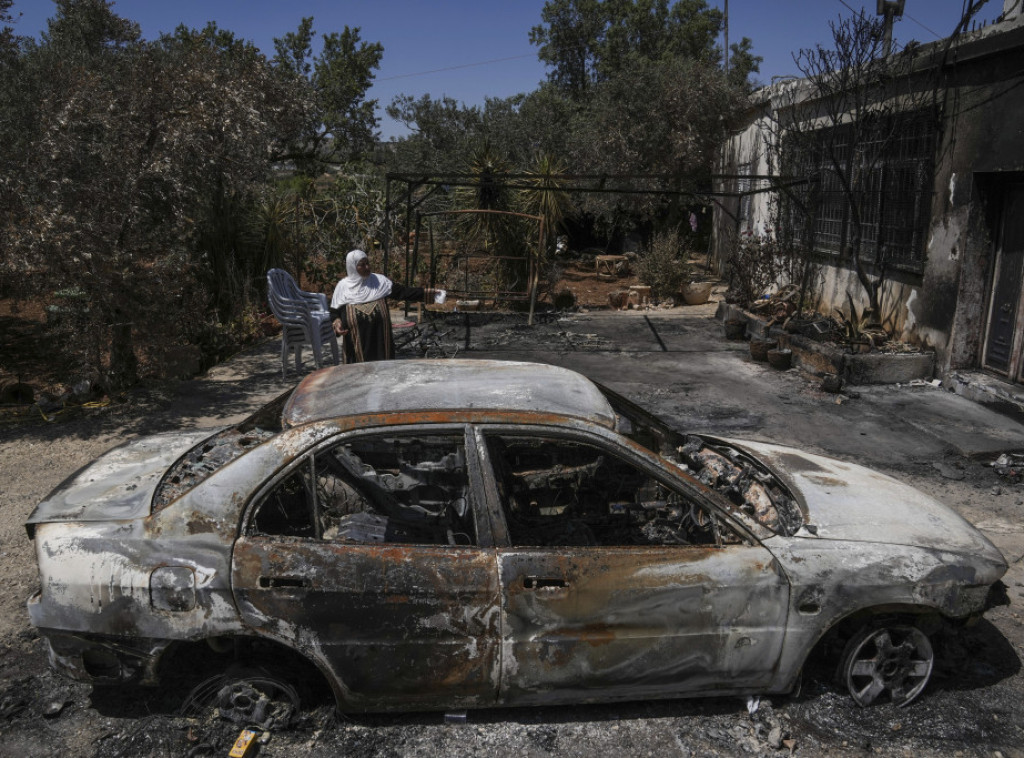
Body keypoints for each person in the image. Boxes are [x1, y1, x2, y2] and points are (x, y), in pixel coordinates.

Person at [329, 249, 440, 363]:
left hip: (381, 342)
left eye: (367, 263)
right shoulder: (343, 287)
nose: (367, 267)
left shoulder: (379, 282)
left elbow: (403, 292)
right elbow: (334, 312)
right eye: (362, 265)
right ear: (352, 267)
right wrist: (337, 322)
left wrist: (428, 293)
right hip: (356, 346)